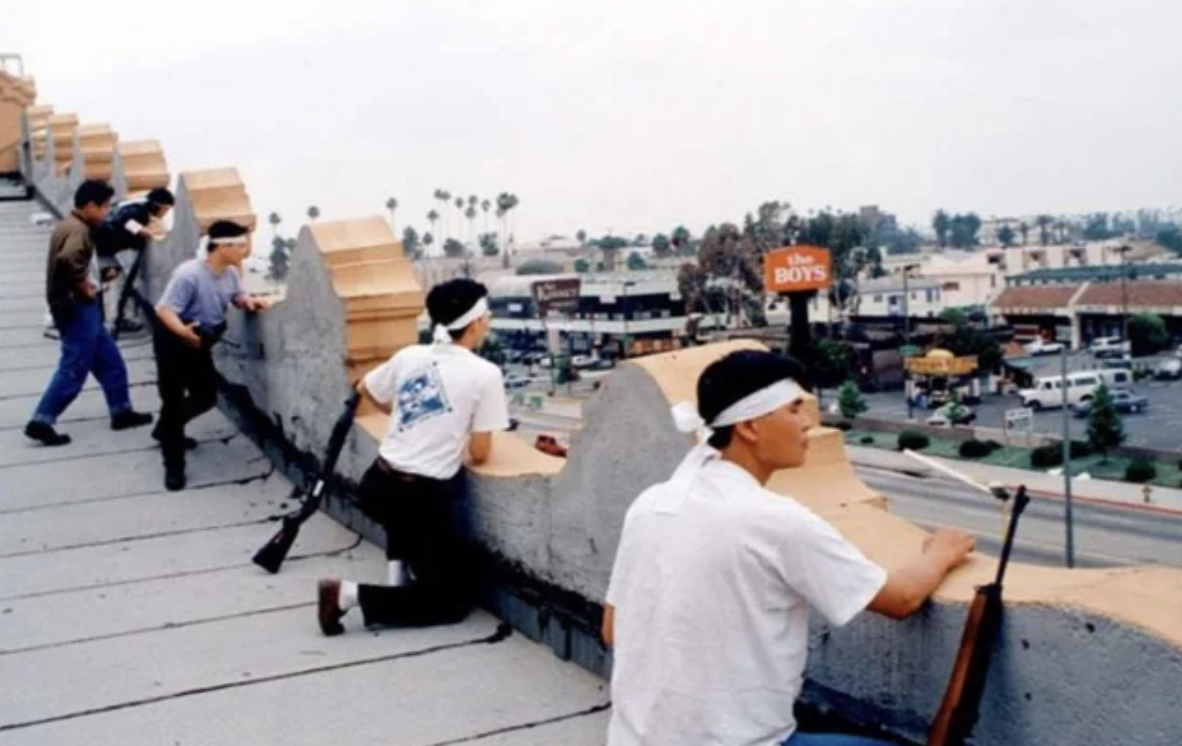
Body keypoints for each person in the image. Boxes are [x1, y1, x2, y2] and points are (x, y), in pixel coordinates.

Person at [602, 350, 976, 746]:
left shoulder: (652, 502)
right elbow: (900, 599)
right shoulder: (775, 519)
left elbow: (613, 630)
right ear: (749, 426)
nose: (808, 424)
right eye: (794, 409)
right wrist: (943, 550)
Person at [317, 278, 510, 636]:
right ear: (476, 322)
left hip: (376, 484)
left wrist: (410, 420)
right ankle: (345, 595)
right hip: (420, 498)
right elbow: (481, 454)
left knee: (418, 526)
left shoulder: (411, 355)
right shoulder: (485, 374)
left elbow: (364, 388)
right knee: (450, 603)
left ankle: (398, 575)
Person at [25, 179, 154, 447]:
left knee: (110, 361)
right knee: (74, 365)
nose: (108, 212)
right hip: (75, 308)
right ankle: (42, 420)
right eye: (105, 207)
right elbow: (69, 259)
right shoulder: (78, 231)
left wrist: (99, 276)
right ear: (91, 206)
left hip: (80, 306)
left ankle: (121, 411)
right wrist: (84, 286)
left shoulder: (72, 225)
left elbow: (79, 261)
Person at [153, 220, 270, 491]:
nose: (244, 250)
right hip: (175, 340)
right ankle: (174, 467)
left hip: (200, 341)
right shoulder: (189, 274)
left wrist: (248, 302)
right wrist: (183, 332)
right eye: (239, 245)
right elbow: (164, 310)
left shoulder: (229, 273)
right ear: (221, 246)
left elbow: (236, 295)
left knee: (205, 395)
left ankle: (166, 428)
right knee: (172, 400)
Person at [95, 187, 175, 334]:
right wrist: (144, 231)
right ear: (160, 207)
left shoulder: (139, 208)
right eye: (166, 210)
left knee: (116, 281)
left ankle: (117, 319)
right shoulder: (139, 210)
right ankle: (109, 322)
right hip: (99, 247)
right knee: (108, 280)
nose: (166, 214)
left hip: (104, 247)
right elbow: (125, 222)